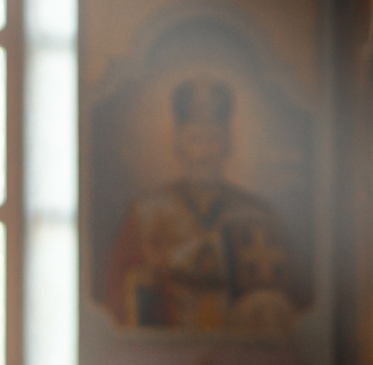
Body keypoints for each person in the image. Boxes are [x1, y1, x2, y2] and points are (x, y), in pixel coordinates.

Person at [104, 77, 308, 333]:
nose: (204, 153)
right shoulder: (146, 212)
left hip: (242, 346)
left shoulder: (259, 214)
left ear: (227, 144)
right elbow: (120, 291)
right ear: (179, 144)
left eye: (213, 140)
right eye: (195, 140)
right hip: (168, 342)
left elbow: (293, 294)